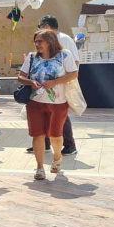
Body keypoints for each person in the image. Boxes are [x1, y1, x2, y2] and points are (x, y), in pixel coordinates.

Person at [18, 30, 79, 180]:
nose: (37, 44)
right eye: (36, 41)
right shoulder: (32, 57)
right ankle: (39, 168)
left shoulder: (65, 55)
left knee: (55, 135)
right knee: (37, 135)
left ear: (50, 42)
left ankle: (57, 157)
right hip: (34, 102)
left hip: (57, 103)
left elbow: (73, 73)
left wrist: (54, 82)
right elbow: (21, 76)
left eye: (40, 41)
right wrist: (30, 82)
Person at [27, 16, 80, 155]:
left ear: (48, 26)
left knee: (61, 117)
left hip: (59, 87)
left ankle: (69, 144)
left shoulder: (64, 40)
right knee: (45, 115)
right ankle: (43, 143)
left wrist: (65, 80)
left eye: (41, 26)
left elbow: (75, 63)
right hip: (42, 90)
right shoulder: (43, 42)